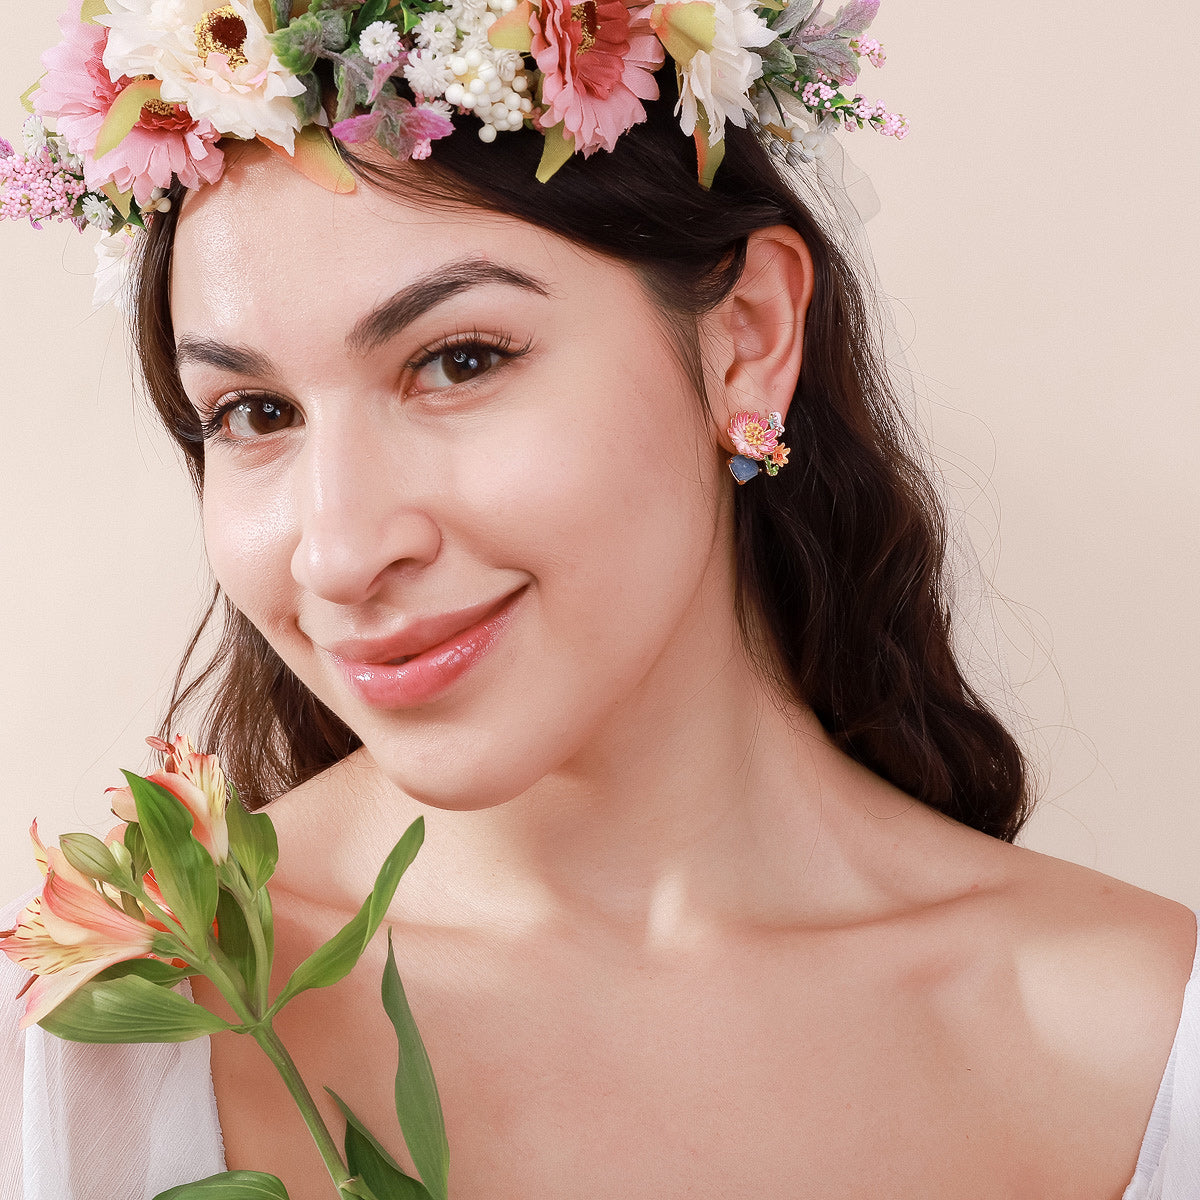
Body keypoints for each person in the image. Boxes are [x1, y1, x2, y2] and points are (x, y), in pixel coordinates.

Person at [1, 1, 1197, 1197]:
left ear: (747, 334)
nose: (341, 552)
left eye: (459, 359)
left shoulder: (1144, 1057)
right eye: (255, 414)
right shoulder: (91, 1045)